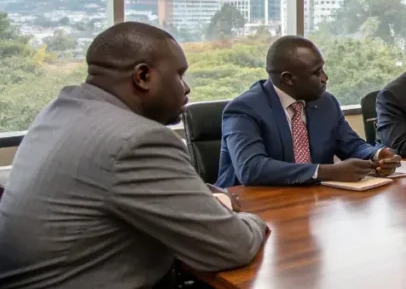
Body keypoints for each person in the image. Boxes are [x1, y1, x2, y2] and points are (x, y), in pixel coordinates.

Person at [0, 23, 267, 288]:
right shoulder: (136, 139)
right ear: (142, 76)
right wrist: (251, 219)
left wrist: (204, 198)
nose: (186, 89)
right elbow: (232, 247)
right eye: (179, 75)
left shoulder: (62, 110)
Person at [217, 36, 402, 187]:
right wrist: (324, 171)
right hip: (250, 206)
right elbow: (251, 168)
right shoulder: (244, 109)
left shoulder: (325, 102)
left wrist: (377, 155)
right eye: (317, 72)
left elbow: (351, 145)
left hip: (313, 200)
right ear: (288, 79)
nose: (325, 78)